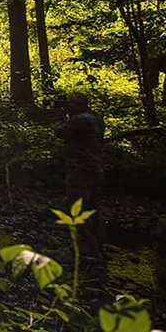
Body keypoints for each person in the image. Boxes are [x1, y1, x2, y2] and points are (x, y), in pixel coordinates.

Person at [55, 90, 105, 251]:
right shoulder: (96, 117)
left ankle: (86, 247)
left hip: (80, 168)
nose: (66, 106)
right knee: (92, 208)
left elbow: (60, 132)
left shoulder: (80, 120)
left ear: (80, 105)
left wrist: (58, 117)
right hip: (94, 167)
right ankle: (98, 243)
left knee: (76, 207)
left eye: (69, 103)